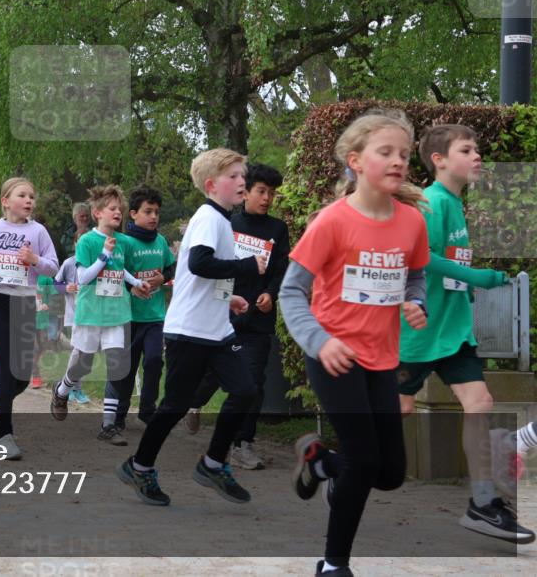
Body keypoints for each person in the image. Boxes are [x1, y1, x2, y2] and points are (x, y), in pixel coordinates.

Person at [281, 110, 431, 575]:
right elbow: (292, 292)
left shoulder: (411, 223)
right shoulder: (331, 222)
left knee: (389, 474)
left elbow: (416, 276)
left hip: (382, 360)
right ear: (356, 160)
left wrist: (414, 302)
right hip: (334, 358)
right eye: (385, 152)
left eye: (404, 154)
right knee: (365, 464)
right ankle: (333, 563)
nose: (398, 161)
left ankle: (322, 462)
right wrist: (319, 341)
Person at [397, 124, 533, 543]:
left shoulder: (455, 204)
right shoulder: (430, 203)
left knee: (481, 402)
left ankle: (483, 503)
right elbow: (424, 258)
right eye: (467, 150)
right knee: (392, 415)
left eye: (477, 150)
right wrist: (476, 276)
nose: (478, 157)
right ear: (439, 159)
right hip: (417, 334)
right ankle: (339, 466)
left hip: (454, 332)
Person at [117, 148, 265, 507]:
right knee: (175, 406)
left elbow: (194, 273)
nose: (242, 180)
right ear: (213, 184)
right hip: (189, 332)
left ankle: (213, 463)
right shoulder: (208, 217)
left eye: (243, 174)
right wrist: (247, 267)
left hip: (215, 330)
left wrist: (226, 298)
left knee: (245, 391)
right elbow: (199, 262)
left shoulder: (221, 220)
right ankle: (140, 466)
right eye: (234, 176)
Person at [184, 164, 290, 470]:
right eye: (261, 191)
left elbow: (281, 268)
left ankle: (243, 443)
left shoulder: (277, 230)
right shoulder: (227, 222)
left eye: (272, 193)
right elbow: (210, 261)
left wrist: (271, 294)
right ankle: (194, 401)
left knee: (253, 381)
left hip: (258, 317)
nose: (267, 198)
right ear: (246, 193)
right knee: (216, 373)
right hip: (223, 310)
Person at [49, 185, 150, 446]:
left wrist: (137, 283)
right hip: (91, 313)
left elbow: (122, 270)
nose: (118, 213)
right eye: (112, 209)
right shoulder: (88, 241)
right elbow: (83, 277)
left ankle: (108, 426)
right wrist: (103, 255)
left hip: (117, 312)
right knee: (83, 364)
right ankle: (62, 390)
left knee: (117, 367)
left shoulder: (124, 242)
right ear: (97, 213)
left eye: (120, 209)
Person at [0, 177, 59, 460]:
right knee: (8, 367)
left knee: (20, 374)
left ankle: (1, 395)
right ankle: (5, 437)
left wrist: (34, 259)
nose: (29, 200)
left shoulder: (39, 231)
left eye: (32, 196)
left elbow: (53, 268)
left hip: (25, 304)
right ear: (5, 201)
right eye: (22, 195)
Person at [106, 186, 176, 428]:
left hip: (155, 317)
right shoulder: (123, 242)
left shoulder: (161, 241)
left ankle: (147, 410)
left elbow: (171, 268)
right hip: (128, 317)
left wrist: (162, 279)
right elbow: (113, 273)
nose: (154, 216)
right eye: (148, 211)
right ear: (133, 214)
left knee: (155, 361)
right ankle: (120, 414)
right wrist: (131, 287)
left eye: (157, 212)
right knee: (128, 368)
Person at [53, 234, 90, 405]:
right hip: (74, 314)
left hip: (92, 314)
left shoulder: (95, 262)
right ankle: (75, 389)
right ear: (75, 244)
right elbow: (56, 284)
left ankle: (66, 386)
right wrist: (66, 287)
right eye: (80, 242)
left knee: (83, 353)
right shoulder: (69, 263)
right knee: (78, 350)